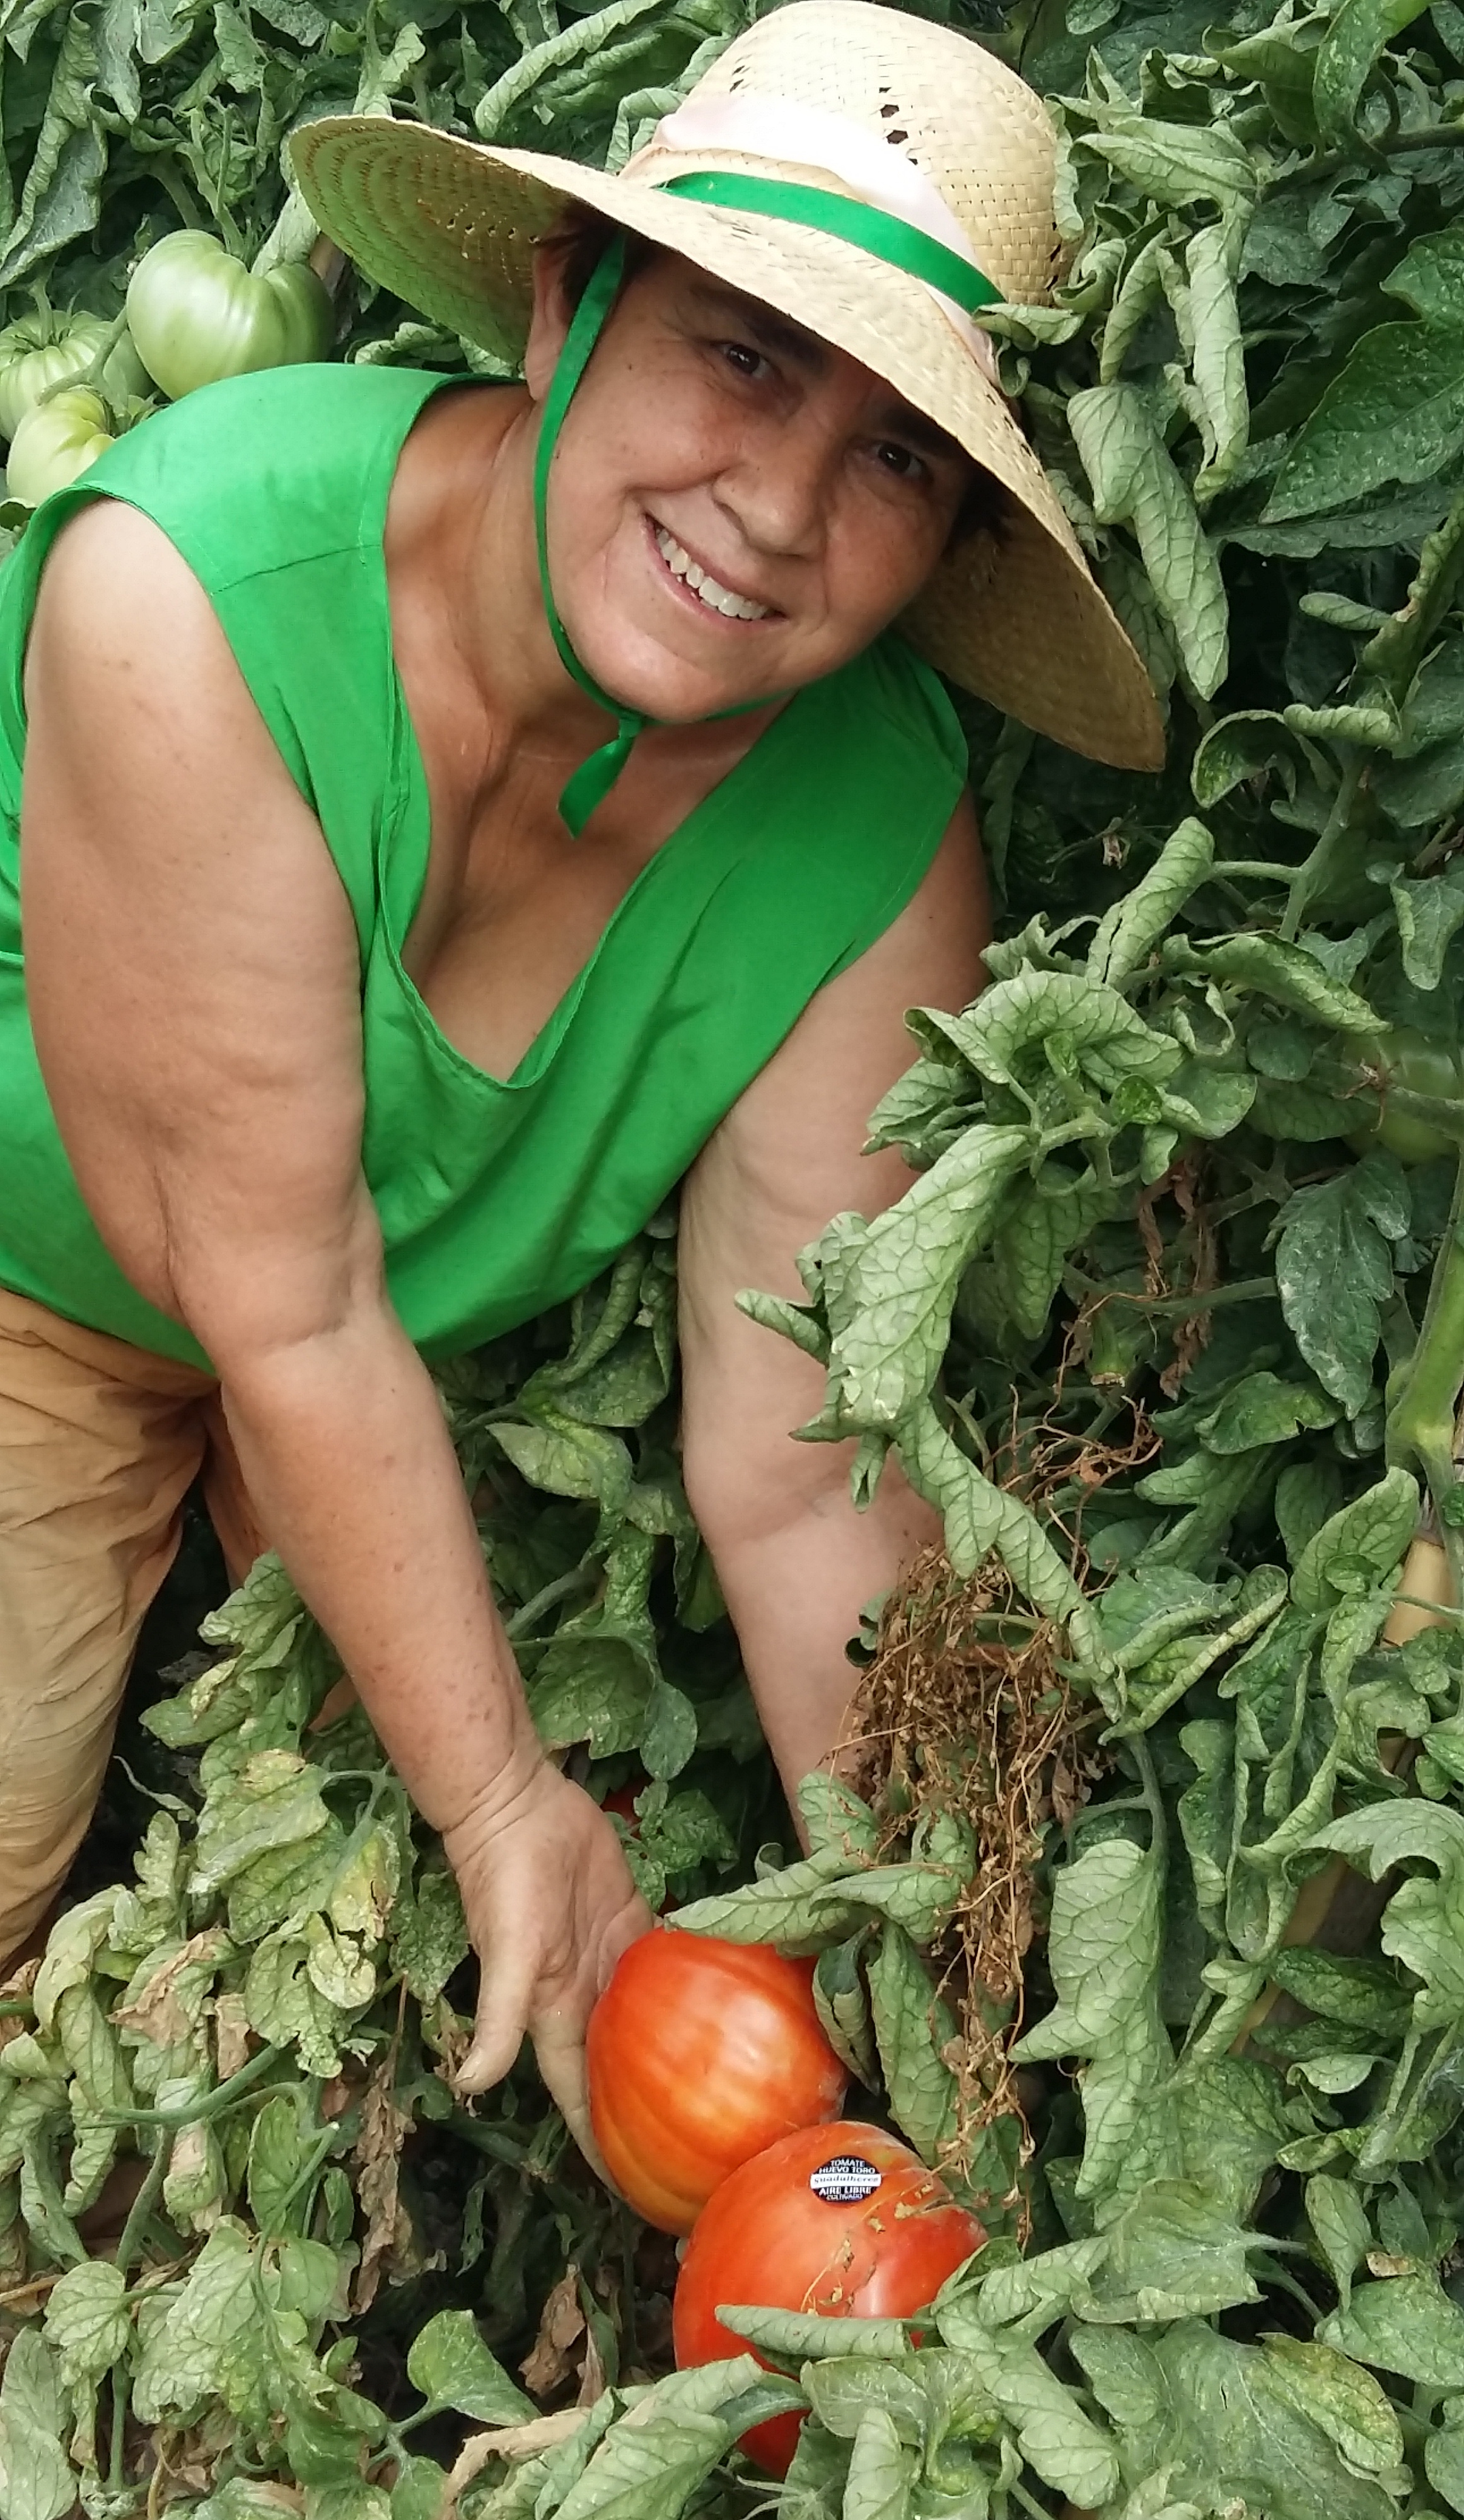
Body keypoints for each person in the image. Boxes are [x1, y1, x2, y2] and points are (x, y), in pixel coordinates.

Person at [0, 0, 1159, 2159]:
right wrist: (500, 1795)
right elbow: (281, 1300)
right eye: (741, 357)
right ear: (562, 308)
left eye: (895, 458)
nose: (777, 511)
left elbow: (802, 1467)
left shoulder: (871, 837)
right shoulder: (194, 595)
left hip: (389, 1360)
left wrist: (951, 1964)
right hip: (41, 1280)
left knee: (318, 1983)